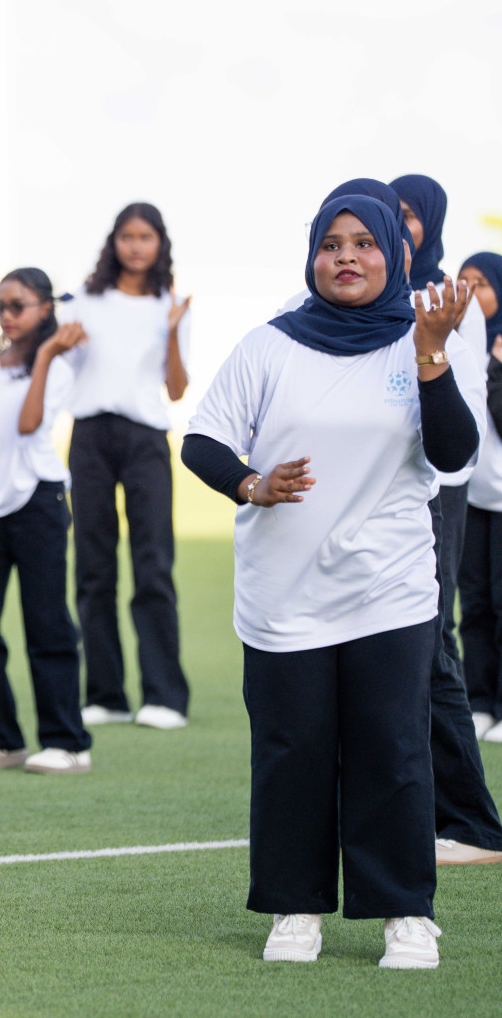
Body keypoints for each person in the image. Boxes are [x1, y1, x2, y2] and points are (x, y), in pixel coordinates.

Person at [183, 193, 477, 968]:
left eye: (363, 244)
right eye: (330, 245)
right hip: (285, 596)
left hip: (390, 589)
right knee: (292, 751)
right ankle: (294, 908)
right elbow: (204, 440)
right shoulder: (268, 346)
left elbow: (453, 455)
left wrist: (431, 355)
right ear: (312, 257)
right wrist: (252, 484)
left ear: (395, 255)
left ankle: (405, 914)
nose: (346, 257)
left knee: (393, 750)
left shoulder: (425, 335)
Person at [279, 178, 502, 867]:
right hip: (344, 498)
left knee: (429, 650)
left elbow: (454, 422)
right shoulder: (300, 309)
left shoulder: (441, 302)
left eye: (403, 220)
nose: (393, 232)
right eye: (385, 220)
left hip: (430, 494)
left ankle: (469, 821)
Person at [0, 268, 93, 774]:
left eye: (19, 306)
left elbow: (30, 423)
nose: (8, 316)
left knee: (46, 623)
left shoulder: (56, 366)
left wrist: (51, 353)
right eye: (2, 307)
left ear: (44, 309)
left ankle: (67, 742)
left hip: (39, 502)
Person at [61, 203, 192, 730]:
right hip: (90, 435)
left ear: (160, 243)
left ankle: (164, 696)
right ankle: (107, 695)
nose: (136, 246)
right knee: (93, 567)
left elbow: (176, 389)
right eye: (127, 236)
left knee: (153, 564)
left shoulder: (172, 303)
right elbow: (61, 366)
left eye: (146, 236)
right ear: (113, 242)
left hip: (146, 437)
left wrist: (176, 330)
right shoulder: (84, 301)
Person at [458, 250, 502, 744]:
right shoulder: (459, 340)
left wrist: (496, 371)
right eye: (464, 281)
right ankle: (480, 701)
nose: (470, 291)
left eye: (482, 283)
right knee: (474, 605)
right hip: (472, 494)